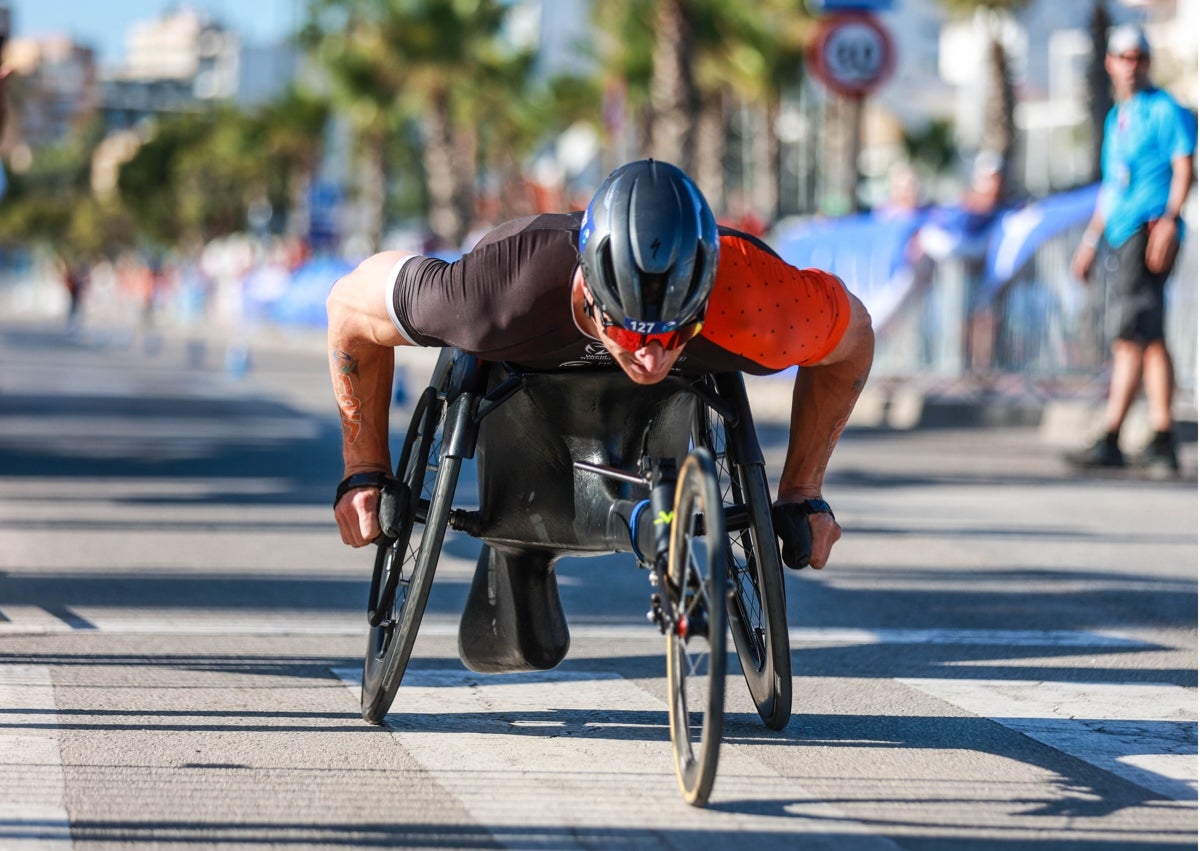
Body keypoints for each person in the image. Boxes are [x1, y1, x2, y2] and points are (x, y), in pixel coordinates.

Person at [327, 159, 873, 580]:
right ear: (589, 291)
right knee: (518, 646)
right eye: (633, 333)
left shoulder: (756, 297)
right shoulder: (495, 293)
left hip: (674, 394)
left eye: (676, 331)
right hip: (523, 381)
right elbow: (350, 306)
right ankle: (520, 558)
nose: (652, 356)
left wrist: (803, 490)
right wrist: (365, 466)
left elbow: (853, 340)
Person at [1067, 24, 1196, 476]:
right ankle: (1147, 436)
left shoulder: (1166, 110)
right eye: (1123, 56)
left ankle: (1124, 434)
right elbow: (1111, 188)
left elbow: (1185, 168)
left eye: (1138, 56)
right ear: (1111, 62)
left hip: (1149, 229)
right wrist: (1088, 242)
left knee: (1133, 337)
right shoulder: (1116, 117)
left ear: (1148, 61)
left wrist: (1169, 221)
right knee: (1147, 335)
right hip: (1121, 232)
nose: (1131, 64)